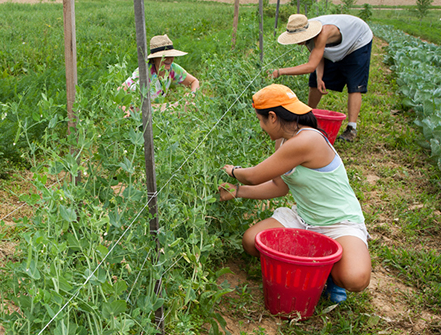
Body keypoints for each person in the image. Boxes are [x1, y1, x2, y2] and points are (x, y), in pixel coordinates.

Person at [218, 84, 371, 303]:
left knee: (355, 278)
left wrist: (233, 171)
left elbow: (253, 176)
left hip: (339, 222)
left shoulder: (307, 140)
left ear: (272, 117)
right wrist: (238, 192)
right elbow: (280, 186)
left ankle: (328, 273)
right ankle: (314, 261)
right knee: (251, 241)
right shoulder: (283, 140)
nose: (261, 127)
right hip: (304, 218)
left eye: (260, 120)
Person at [270, 14, 373, 142]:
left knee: (354, 84)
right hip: (332, 45)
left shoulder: (323, 32)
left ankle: (351, 129)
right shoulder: (307, 34)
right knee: (314, 81)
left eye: (297, 38)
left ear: (305, 33)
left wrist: (279, 72)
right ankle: (307, 118)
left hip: (357, 40)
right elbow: (318, 57)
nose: (297, 41)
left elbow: (310, 66)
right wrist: (320, 77)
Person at [119, 34, 200, 116]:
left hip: (157, 109)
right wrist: (126, 111)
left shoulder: (172, 69)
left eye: (171, 55)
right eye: (164, 56)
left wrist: (192, 94)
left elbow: (194, 81)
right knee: (178, 109)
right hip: (139, 111)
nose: (169, 59)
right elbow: (121, 89)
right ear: (154, 59)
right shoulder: (145, 71)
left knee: (192, 105)